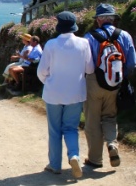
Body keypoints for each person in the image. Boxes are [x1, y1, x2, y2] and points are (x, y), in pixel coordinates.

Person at [37, 11, 94, 178]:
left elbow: (41, 71)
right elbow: (90, 69)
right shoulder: (84, 43)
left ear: (59, 26)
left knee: (54, 130)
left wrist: (48, 82)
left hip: (53, 94)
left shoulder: (51, 44)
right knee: (70, 128)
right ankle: (74, 156)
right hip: (75, 93)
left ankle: (55, 165)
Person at [82, 3, 136, 168]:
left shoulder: (89, 37)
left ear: (98, 20)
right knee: (109, 116)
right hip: (115, 81)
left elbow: (85, 63)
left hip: (93, 82)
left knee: (92, 120)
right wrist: (121, 77)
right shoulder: (125, 35)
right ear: (113, 19)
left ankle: (95, 159)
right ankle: (112, 144)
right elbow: (132, 63)